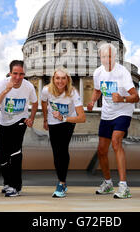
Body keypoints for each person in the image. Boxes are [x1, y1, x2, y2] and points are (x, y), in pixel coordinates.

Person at [87, 43, 139, 199]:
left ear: (115, 57)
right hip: (107, 114)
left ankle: (124, 186)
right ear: (100, 57)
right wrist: (92, 101)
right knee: (102, 150)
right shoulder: (98, 72)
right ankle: (108, 183)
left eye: (109, 56)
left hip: (123, 112)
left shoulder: (122, 73)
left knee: (116, 142)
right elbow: (97, 90)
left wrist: (122, 98)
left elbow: (135, 96)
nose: (106, 59)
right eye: (103, 56)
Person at [0, 60, 38, 197]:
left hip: (20, 121)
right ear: (10, 73)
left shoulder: (28, 86)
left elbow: (35, 103)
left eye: (21, 74)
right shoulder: (1, 84)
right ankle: (7, 182)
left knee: (15, 153)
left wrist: (31, 118)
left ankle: (16, 186)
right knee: (2, 156)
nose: (18, 77)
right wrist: (6, 90)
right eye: (15, 74)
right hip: (4, 123)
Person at [41, 67, 86, 198]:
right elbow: (43, 103)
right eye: (57, 78)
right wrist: (45, 119)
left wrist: (63, 117)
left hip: (68, 122)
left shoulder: (73, 92)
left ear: (68, 80)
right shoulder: (46, 90)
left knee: (62, 150)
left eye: (63, 78)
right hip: (52, 122)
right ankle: (63, 182)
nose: (60, 81)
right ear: (53, 79)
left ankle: (61, 182)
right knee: (56, 152)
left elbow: (82, 117)